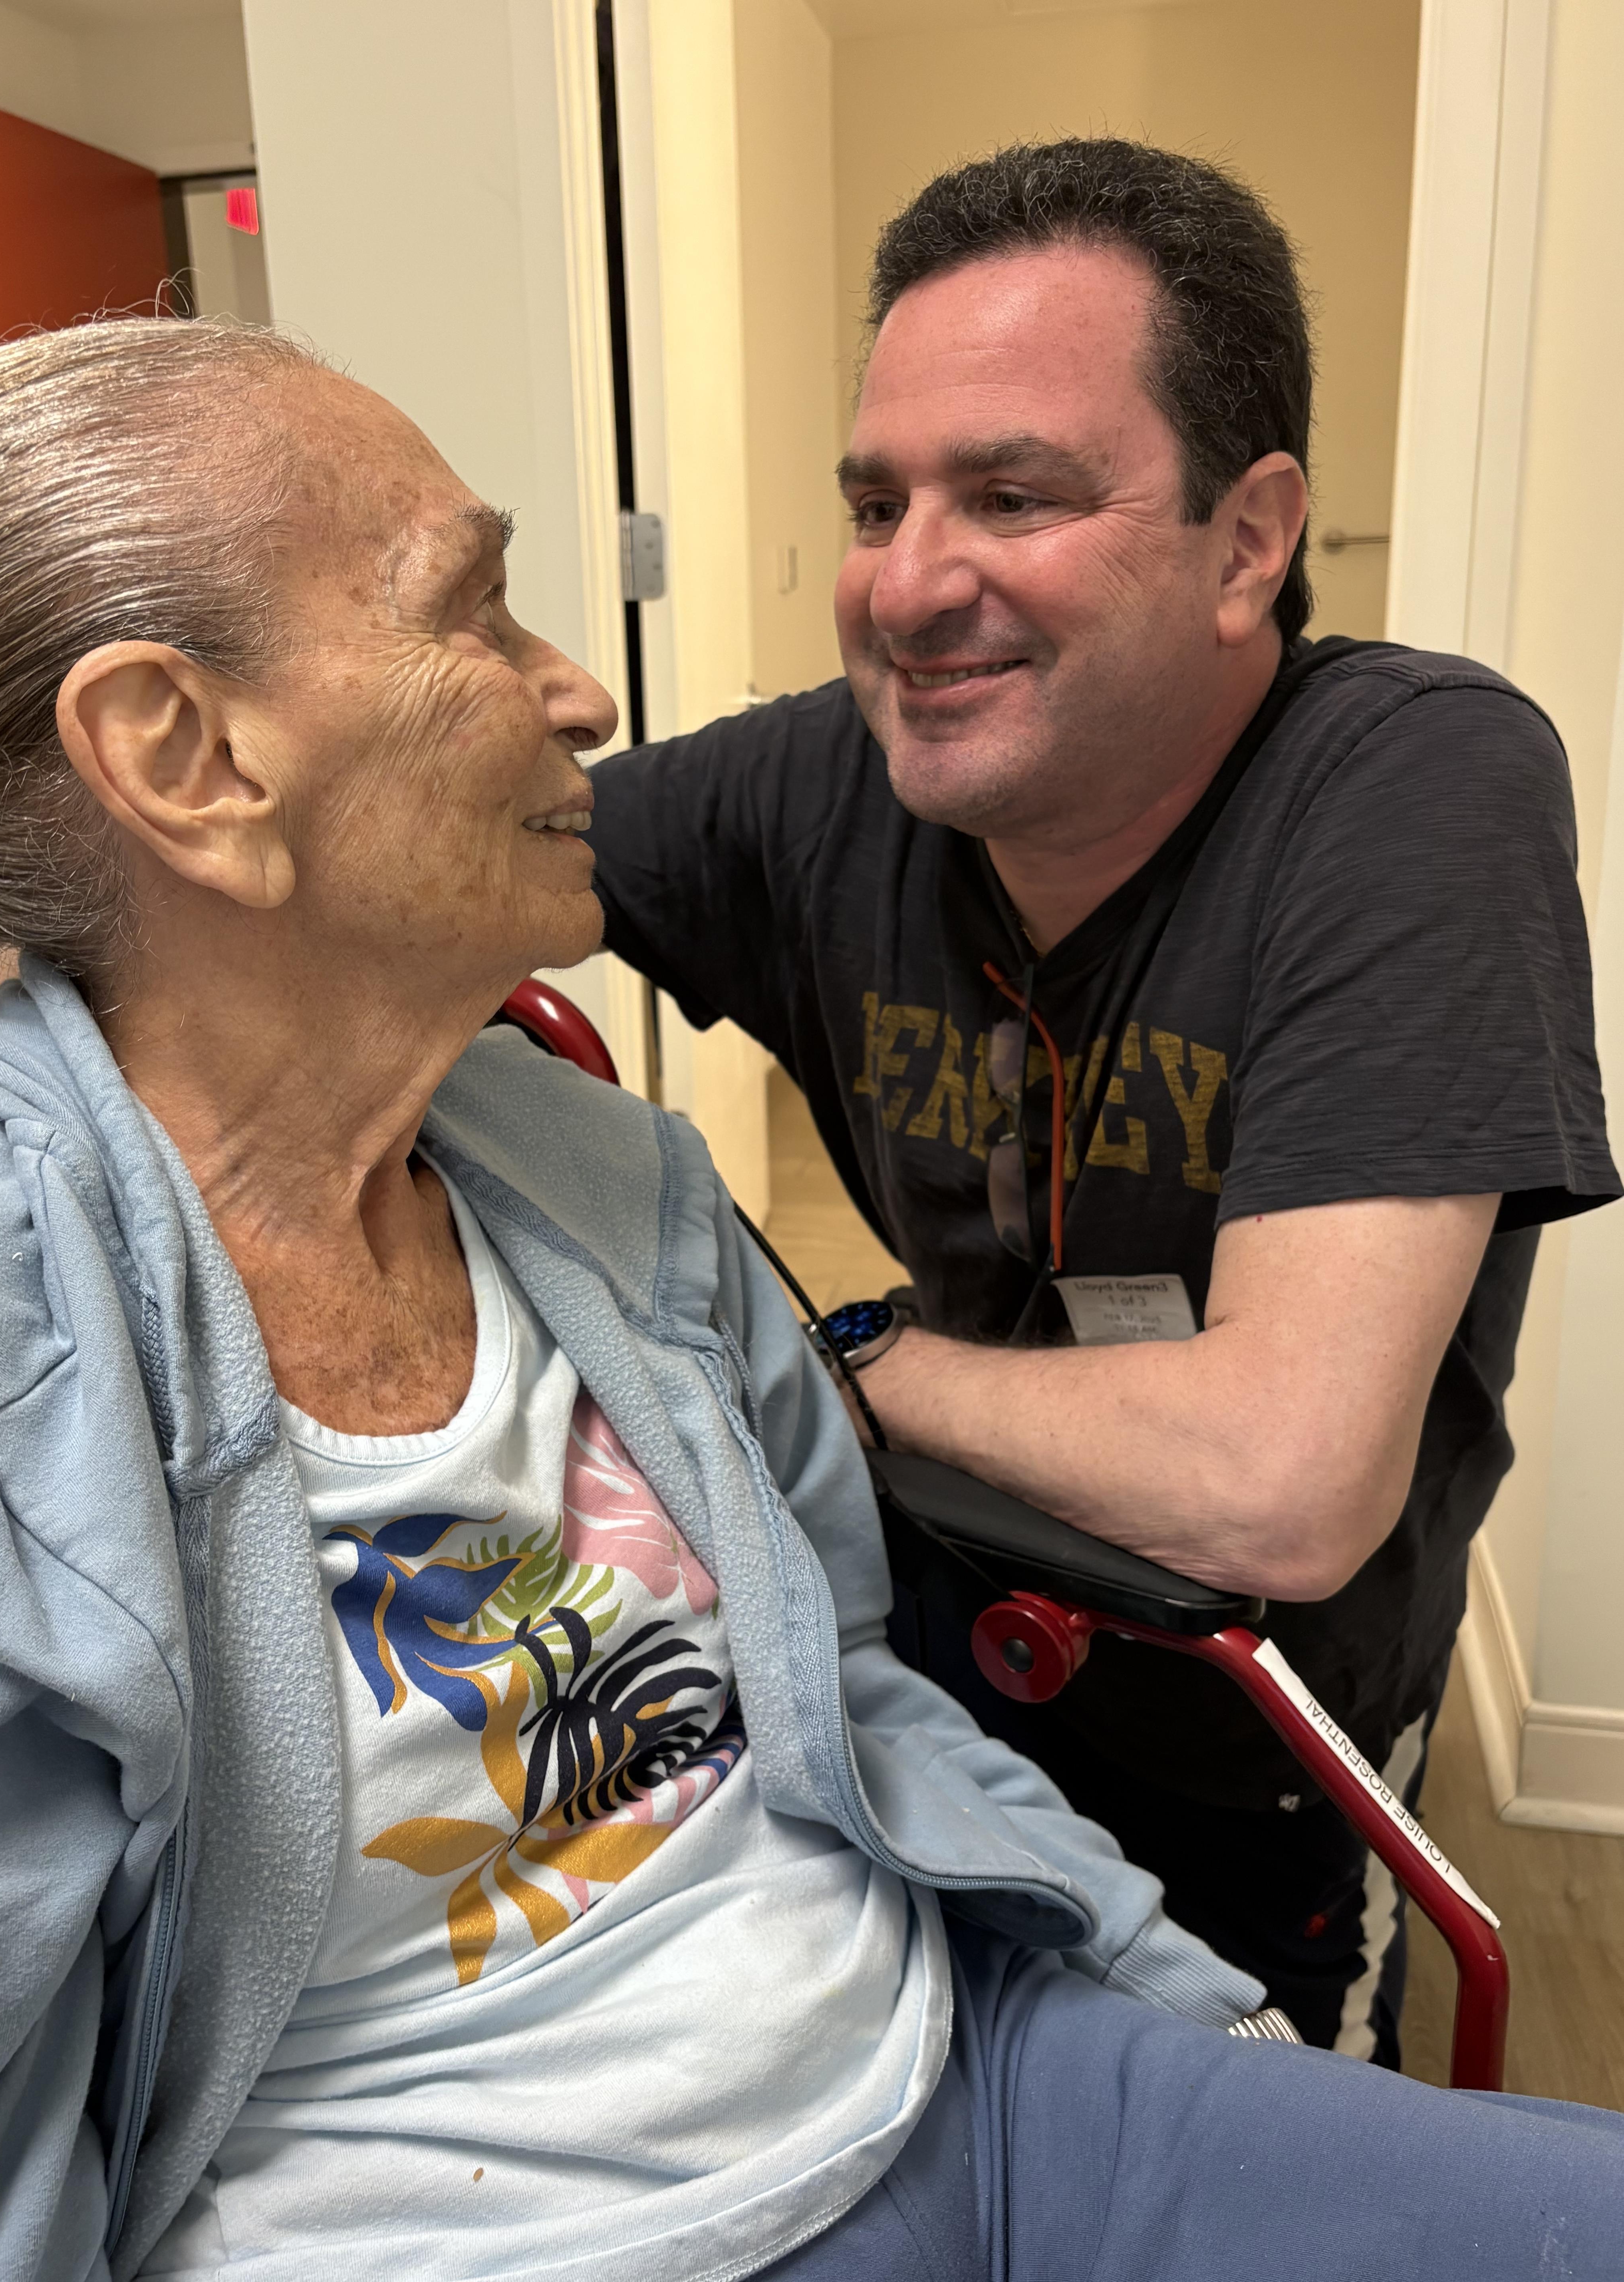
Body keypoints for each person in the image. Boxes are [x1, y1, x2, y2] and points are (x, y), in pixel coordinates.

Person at [0, 318, 1618, 2282]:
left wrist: (1165, 1989)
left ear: (1253, 546)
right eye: (472, 612)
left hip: (968, 2057)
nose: (582, 688)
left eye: (1022, 495)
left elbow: (857, 1685)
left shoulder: (605, 1180)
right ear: (185, 756)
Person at [586, 137, 1622, 2063]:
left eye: (1015, 495)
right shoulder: (820, 784)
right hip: (932, 1668)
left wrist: (848, 1368)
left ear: (1251, 541)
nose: (909, 585)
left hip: (1268, 1736)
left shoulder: (1417, 787)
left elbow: (1282, 1482)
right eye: (877, 501)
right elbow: (448, 862)